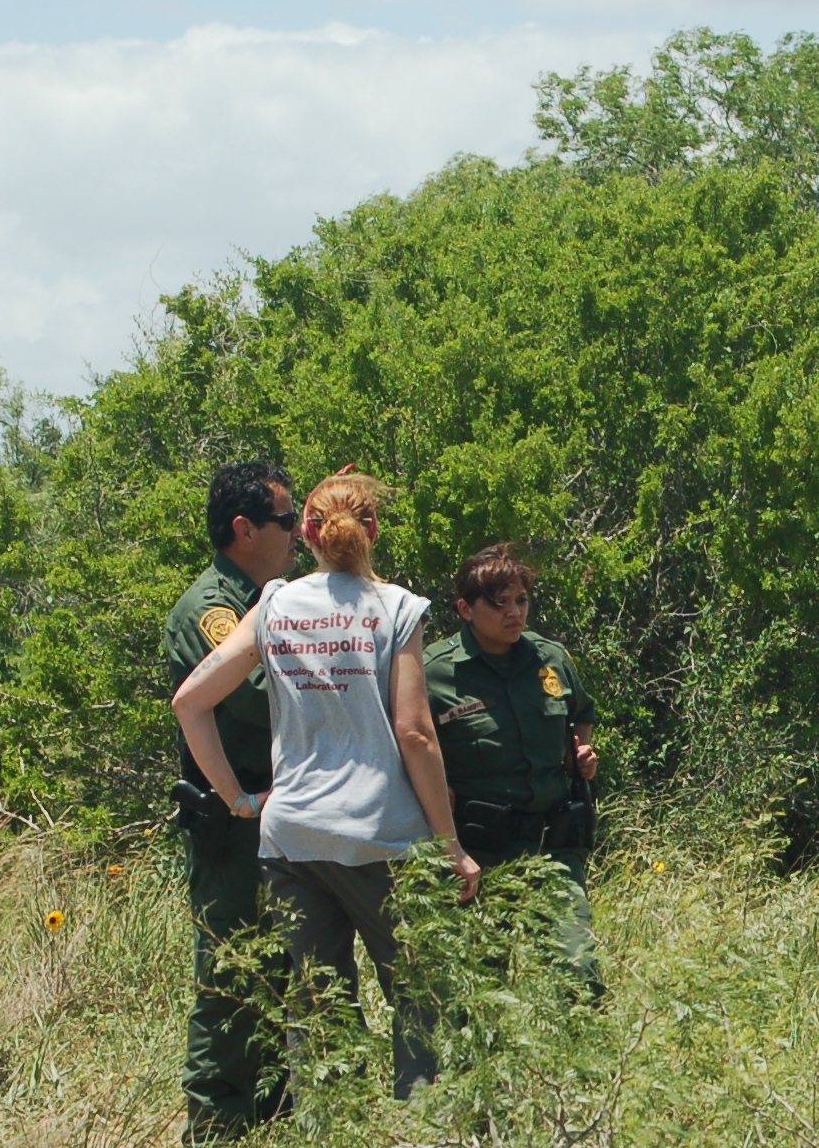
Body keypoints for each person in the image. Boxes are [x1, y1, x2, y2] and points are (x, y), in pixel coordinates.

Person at [174, 469, 478, 1105]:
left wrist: (239, 800)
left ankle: (335, 1145)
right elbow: (416, 734)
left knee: (320, 1006)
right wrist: (449, 845)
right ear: (371, 529)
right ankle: (424, 1138)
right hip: (381, 836)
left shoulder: (276, 603)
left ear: (307, 532)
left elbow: (190, 702)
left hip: (291, 838)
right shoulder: (396, 607)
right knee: (420, 994)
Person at [162, 460, 297, 1143]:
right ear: (244, 529)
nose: (298, 534)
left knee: (282, 973)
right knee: (231, 974)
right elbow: (249, 699)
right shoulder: (213, 608)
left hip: (280, 823)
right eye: (287, 521)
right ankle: (216, 1134)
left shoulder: (270, 599)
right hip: (235, 825)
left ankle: (274, 1122)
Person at [425, 544, 603, 992]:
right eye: (498, 603)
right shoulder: (434, 672)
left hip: (553, 844)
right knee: (480, 988)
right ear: (465, 608)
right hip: (478, 850)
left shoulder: (549, 658)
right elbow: (405, 744)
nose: (514, 613)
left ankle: (580, 1061)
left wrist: (579, 752)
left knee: (576, 977)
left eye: (521, 600)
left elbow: (581, 711)